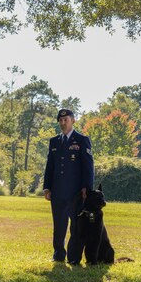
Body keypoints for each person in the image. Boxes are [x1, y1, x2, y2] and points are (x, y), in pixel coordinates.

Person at [43, 108, 94, 265]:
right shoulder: (54, 142)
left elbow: (88, 167)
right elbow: (50, 166)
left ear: (73, 121)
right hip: (57, 192)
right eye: (61, 120)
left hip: (76, 192)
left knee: (76, 226)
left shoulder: (82, 140)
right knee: (59, 225)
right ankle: (58, 254)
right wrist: (47, 187)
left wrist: (87, 187)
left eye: (66, 120)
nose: (63, 123)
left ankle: (73, 257)